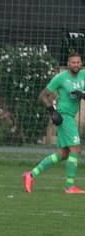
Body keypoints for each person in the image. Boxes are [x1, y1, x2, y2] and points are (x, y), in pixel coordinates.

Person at [23, 52, 85, 194]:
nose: (76, 65)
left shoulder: (83, 75)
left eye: (78, 62)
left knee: (64, 153)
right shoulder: (60, 78)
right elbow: (43, 96)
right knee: (76, 149)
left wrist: (82, 95)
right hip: (63, 116)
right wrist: (53, 111)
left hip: (70, 116)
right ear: (68, 64)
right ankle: (70, 187)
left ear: (81, 64)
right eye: (73, 62)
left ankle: (31, 175)